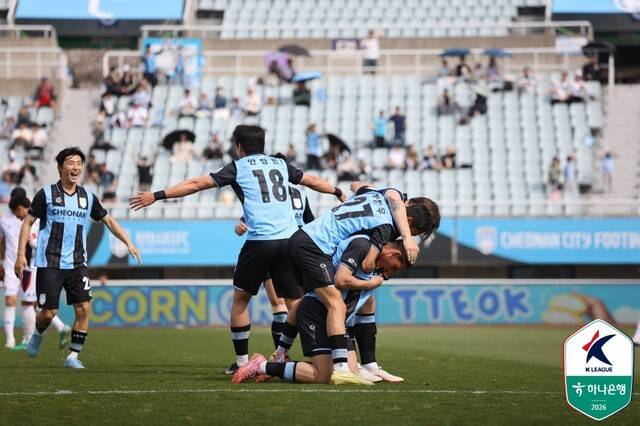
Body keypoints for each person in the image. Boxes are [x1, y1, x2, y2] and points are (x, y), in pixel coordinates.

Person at [129, 125, 346, 375]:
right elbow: (313, 181)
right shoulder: (280, 165)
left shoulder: (238, 167)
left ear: (238, 146)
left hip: (260, 242)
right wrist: (337, 191)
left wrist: (156, 195)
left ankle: (243, 364)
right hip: (289, 242)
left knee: (241, 300)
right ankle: (285, 352)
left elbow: (196, 183)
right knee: (294, 302)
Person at [282, 186, 436, 384]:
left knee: (351, 300)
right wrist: (372, 278)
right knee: (336, 304)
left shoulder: (380, 195)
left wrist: (342, 195)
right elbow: (367, 264)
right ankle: (341, 368)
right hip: (313, 245)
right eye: (414, 233)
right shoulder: (384, 228)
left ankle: (282, 352)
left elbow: (357, 185)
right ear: (409, 221)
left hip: (306, 239)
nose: (410, 237)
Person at [17, 147, 141, 368]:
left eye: (79, 163)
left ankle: (73, 356)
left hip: (77, 263)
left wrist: (128, 242)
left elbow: (108, 221)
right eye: (71, 163)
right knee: (48, 313)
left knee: (84, 308)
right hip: (50, 263)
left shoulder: (88, 197)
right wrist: (20, 255)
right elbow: (27, 222)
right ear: (60, 167)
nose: (75, 167)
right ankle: (38, 332)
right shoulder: (46, 194)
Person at [232, 237, 409, 385]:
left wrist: (370, 364)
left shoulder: (373, 267)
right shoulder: (358, 249)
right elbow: (326, 289)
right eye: (394, 267)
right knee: (324, 376)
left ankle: (279, 364)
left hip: (336, 323)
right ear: (394, 254)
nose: (389, 274)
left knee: (351, 371)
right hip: (316, 316)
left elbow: (364, 311)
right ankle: (261, 366)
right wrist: (282, 348)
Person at [1, 190, 71, 351]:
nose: (19, 217)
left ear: (20, 207)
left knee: (28, 303)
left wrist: (27, 247)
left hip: (32, 267)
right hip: (40, 267)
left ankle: (29, 339)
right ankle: (60, 327)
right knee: (37, 304)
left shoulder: (33, 220)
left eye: (17, 213)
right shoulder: (40, 216)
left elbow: (34, 243)